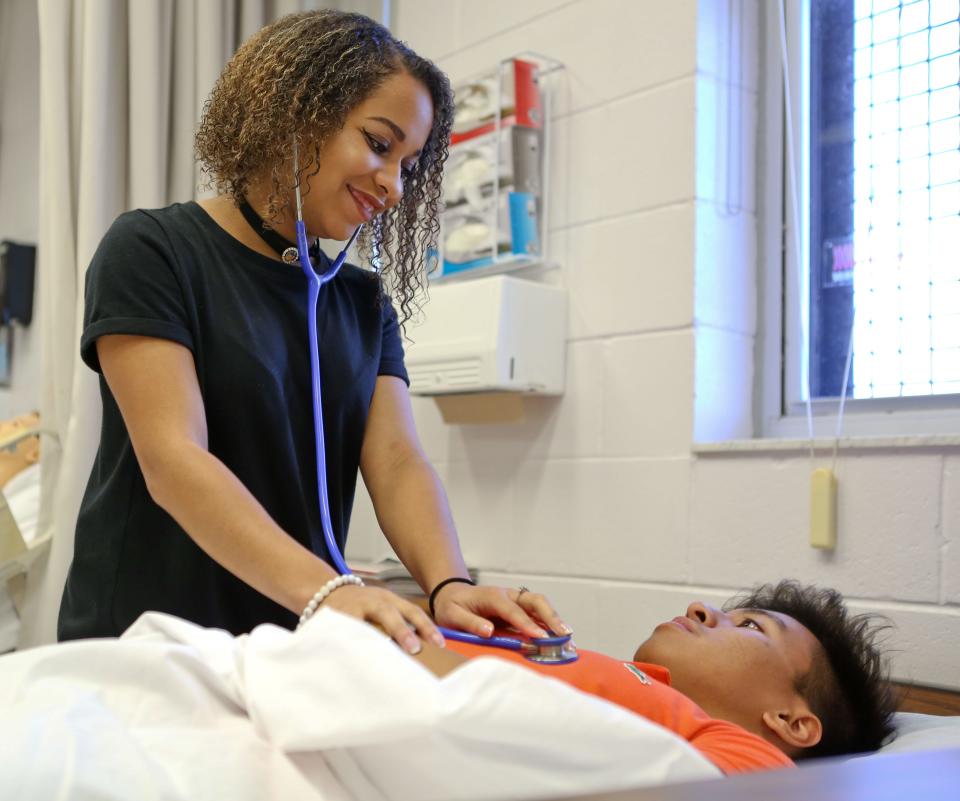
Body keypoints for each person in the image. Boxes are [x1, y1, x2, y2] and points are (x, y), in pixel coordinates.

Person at [57, 10, 568, 654]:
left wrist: (446, 583)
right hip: (147, 641)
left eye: (409, 165)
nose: (392, 185)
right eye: (380, 144)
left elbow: (396, 458)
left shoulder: (360, 300)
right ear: (296, 112)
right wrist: (329, 591)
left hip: (289, 644)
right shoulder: (154, 250)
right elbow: (174, 459)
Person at [411, 580, 898, 774]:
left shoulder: (754, 760)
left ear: (791, 721)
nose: (701, 609)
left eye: (751, 626)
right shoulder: (624, 679)